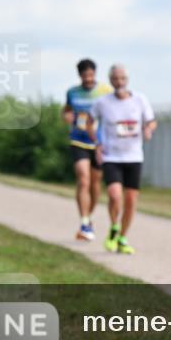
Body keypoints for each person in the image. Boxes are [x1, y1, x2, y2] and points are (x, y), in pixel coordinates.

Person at [91, 64, 156, 255]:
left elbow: (151, 121)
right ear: (110, 80)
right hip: (111, 156)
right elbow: (89, 122)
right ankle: (114, 227)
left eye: (122, 79)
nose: (119, 82)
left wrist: (148, 129)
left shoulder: (140, 99)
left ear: (127, 80)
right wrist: (97, 143)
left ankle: (122, 237)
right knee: (114, 195)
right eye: (115, 79)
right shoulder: (102, 102)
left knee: (131, 199)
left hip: (134, 155)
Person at [62, 59, 113, 241]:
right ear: (79, 75)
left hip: (99, 143)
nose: (88, 79)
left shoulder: (105, 91)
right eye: (85, 75)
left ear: (95, 74)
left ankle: (89, 217)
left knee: (95, 183)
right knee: (83, 179)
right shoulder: (72, 92)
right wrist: (68, 117)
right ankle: (84, 222)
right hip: (78, 140)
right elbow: (67, 110)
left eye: (91, 75)